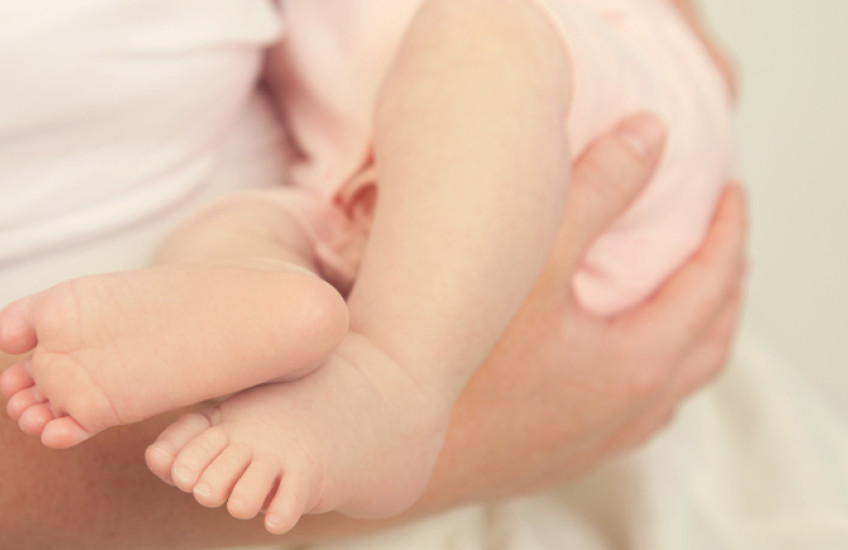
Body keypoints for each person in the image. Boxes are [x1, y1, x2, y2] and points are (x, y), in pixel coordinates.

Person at [0, 0, 746, 547]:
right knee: (237, 222)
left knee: (481, 34)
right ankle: (274, 291)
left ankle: (392, 379)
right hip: (368, 162)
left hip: (577, 119)